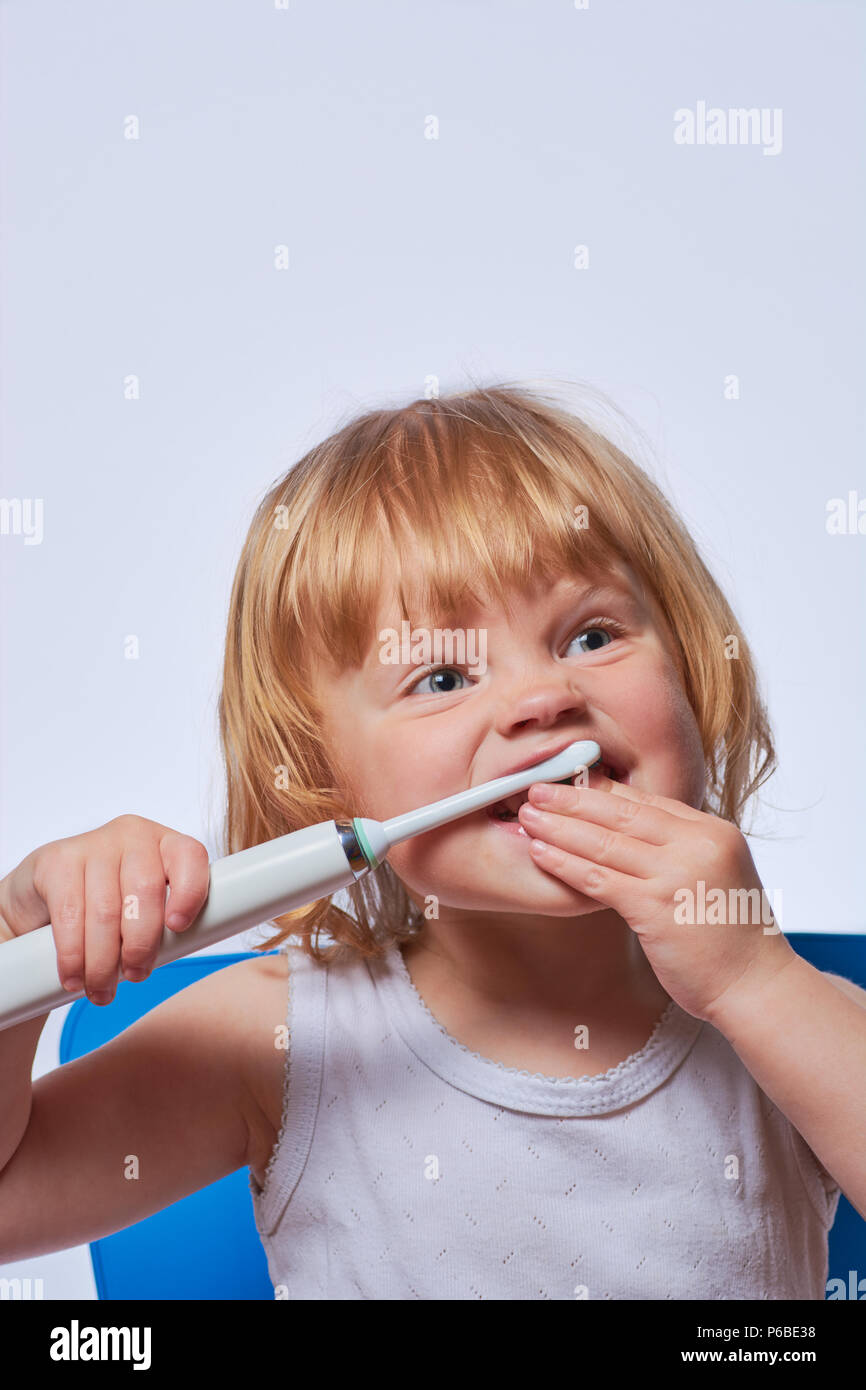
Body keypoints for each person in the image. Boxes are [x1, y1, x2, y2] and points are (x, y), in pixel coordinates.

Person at [1, 382, 864, 1299]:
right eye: (444, 675)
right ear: (324, 779)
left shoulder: (796, 1019)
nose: (544, 697)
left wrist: (752, 981)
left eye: (592, 635)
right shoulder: (285, 1037)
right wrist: (20, 941)